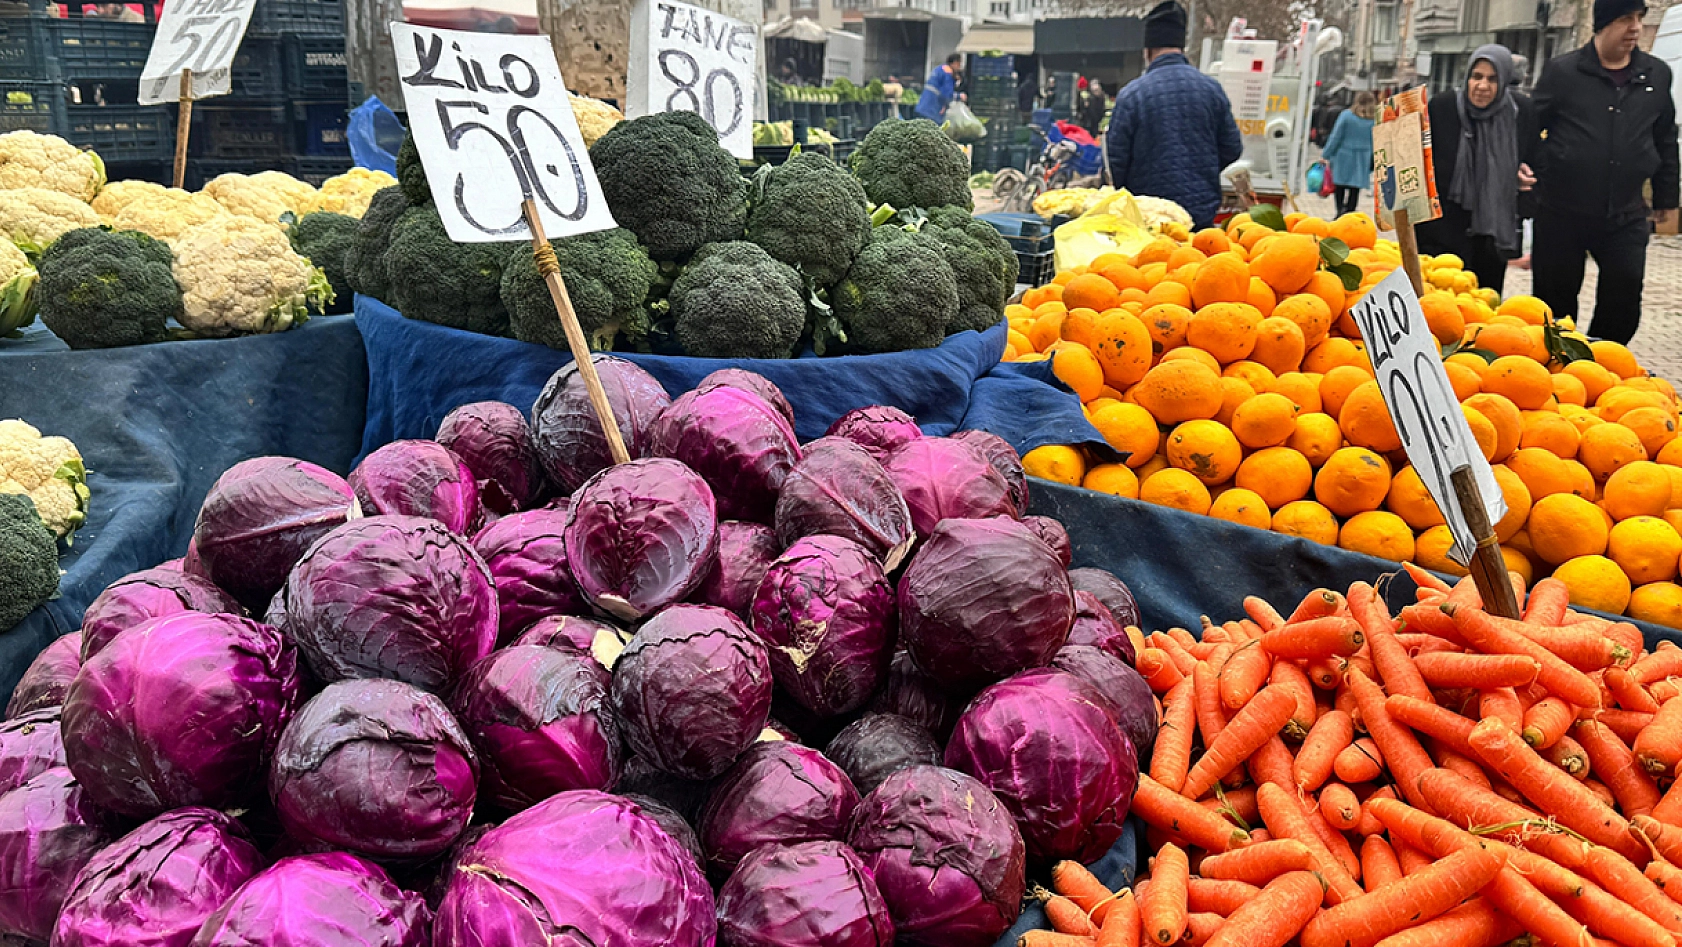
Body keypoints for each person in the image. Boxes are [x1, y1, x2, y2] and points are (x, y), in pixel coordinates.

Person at [1530, 0, 1679, 343]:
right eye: (1626, 19)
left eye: (1639, 19)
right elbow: (1530, 130)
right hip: (1561, 211)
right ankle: (1559, 364)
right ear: (1603, 23)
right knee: (1553, 303)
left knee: (1624, 295)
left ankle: (1601, 362)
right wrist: (1533, 174)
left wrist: (1666, 196)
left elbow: (1665, 138)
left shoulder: (1656, 74)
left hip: (1625, 213)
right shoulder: (1562, 72)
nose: (1636, 28)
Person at [1105, 0, 1244, 229]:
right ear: (1182, 47)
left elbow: (1116, 162)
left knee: (1152, 266)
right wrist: (1201, 169)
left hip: (1148, 218)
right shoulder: (1211, 90)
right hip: (1199, 213)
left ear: (1147, 51)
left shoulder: (1132, 95)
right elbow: (1232, 148)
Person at [1414, 46, 1536, 295]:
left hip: (1491, 236)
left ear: (1503, 81)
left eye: (1492, 79)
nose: (1482, 86)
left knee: (1482, 307)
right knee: (1439, 305)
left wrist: (1525, 177)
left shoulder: (1520, 112)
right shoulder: (1442, 108)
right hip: (1442, 231)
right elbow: (1416, 160)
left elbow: (1534, 157)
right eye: (1477, 76)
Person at [1320, 92, 1376, 218]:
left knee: (1339, 185)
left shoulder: (1347, 116)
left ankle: (1339, 211)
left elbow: (1336, 136)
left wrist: (1326, 154)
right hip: (1362, 157)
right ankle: (1350, 213)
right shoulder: (1374, 120)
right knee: (1354, 188)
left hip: (1343, 155)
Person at [916, 54, 964, 123]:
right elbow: (947, 94)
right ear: (955, 63)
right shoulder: (948, 73)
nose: (959, 67)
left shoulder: (940, 69)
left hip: (922, 106)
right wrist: (959, 96)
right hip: (933, 110)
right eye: (959, 64)